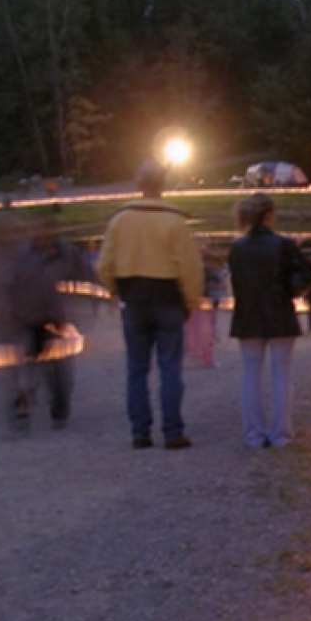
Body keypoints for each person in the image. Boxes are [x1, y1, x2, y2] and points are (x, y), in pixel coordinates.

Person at [97, 161, 203, 450]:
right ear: (163, 185)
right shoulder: (174, 221)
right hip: (168, 297)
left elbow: (105, 264)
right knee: (170, 368)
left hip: (134, 298)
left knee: (136, 368)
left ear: (137, 183)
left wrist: (115, 290)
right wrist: (190, 300)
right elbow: (190, 267)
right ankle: (173, 431)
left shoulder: (120, 220)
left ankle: (140, 431)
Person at [226, 193, 311, 448]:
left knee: (250, 376)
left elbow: (236, 280)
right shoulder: (283, 245)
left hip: (248, 313)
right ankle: (281, 434)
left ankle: (254, 434)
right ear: (269, 215)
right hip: (279, 312)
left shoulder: (238, 248)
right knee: (281, 376)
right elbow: (308, 271)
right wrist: (292, 290)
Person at [3, 215, 93, 431]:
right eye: (35, 230)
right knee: (27, 367)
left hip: (58, 318)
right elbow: (10, 284)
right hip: (28, 317)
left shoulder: (66, 254)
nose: (38, 235)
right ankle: (24, 409)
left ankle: (59, 411)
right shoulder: (22, 255)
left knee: (59, 372)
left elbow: (85, 276)